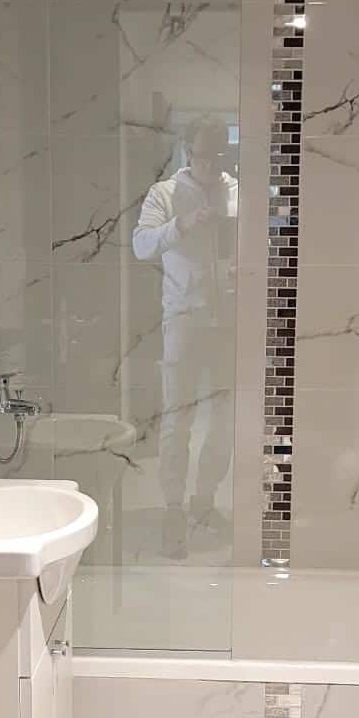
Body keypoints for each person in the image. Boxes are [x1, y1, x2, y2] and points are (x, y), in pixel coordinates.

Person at [133, 119, 238, 558]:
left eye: (217, 155)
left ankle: (204, 500)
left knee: (226, 421)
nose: (209, 164)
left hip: (230, 321)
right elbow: (141, 246)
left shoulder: (238, 192)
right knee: (178, 420)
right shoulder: (165, 193)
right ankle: (173, 509)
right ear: (187, 151)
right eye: (202, 155)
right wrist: (182, 224)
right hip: (183, 320)